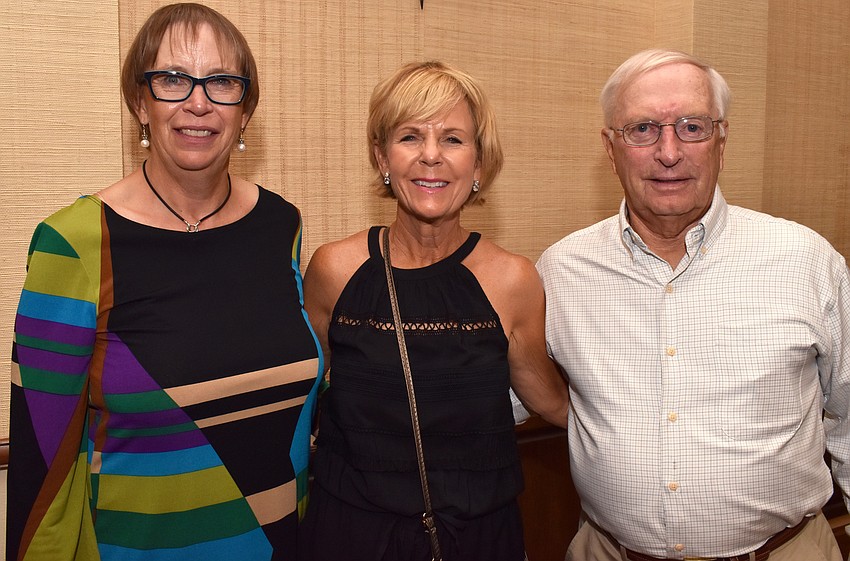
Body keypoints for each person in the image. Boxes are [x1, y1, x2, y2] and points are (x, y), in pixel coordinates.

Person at [6, 4, 323, 560]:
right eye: (173, 79)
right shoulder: (76, 241)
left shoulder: (282, 226)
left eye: (222, 81)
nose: (198, 102)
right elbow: (43, 465)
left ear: (245, 109)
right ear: (139, 101)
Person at [537, 48, 850, 561]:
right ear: (610, 147)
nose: (668, 152)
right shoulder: (560, 271)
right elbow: (505, 394)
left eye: (691, 127)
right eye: (642, 129)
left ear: (722, 140)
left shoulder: (807, 262)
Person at [297, 60, 570, 561]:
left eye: (452, 139)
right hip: (349, 534)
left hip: (478, 539)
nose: (430, 156)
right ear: (381, 156)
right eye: (409, 137)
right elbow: (299, 394)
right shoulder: (334, 268)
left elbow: (550, 402)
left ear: (480, 164)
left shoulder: (512, 281)